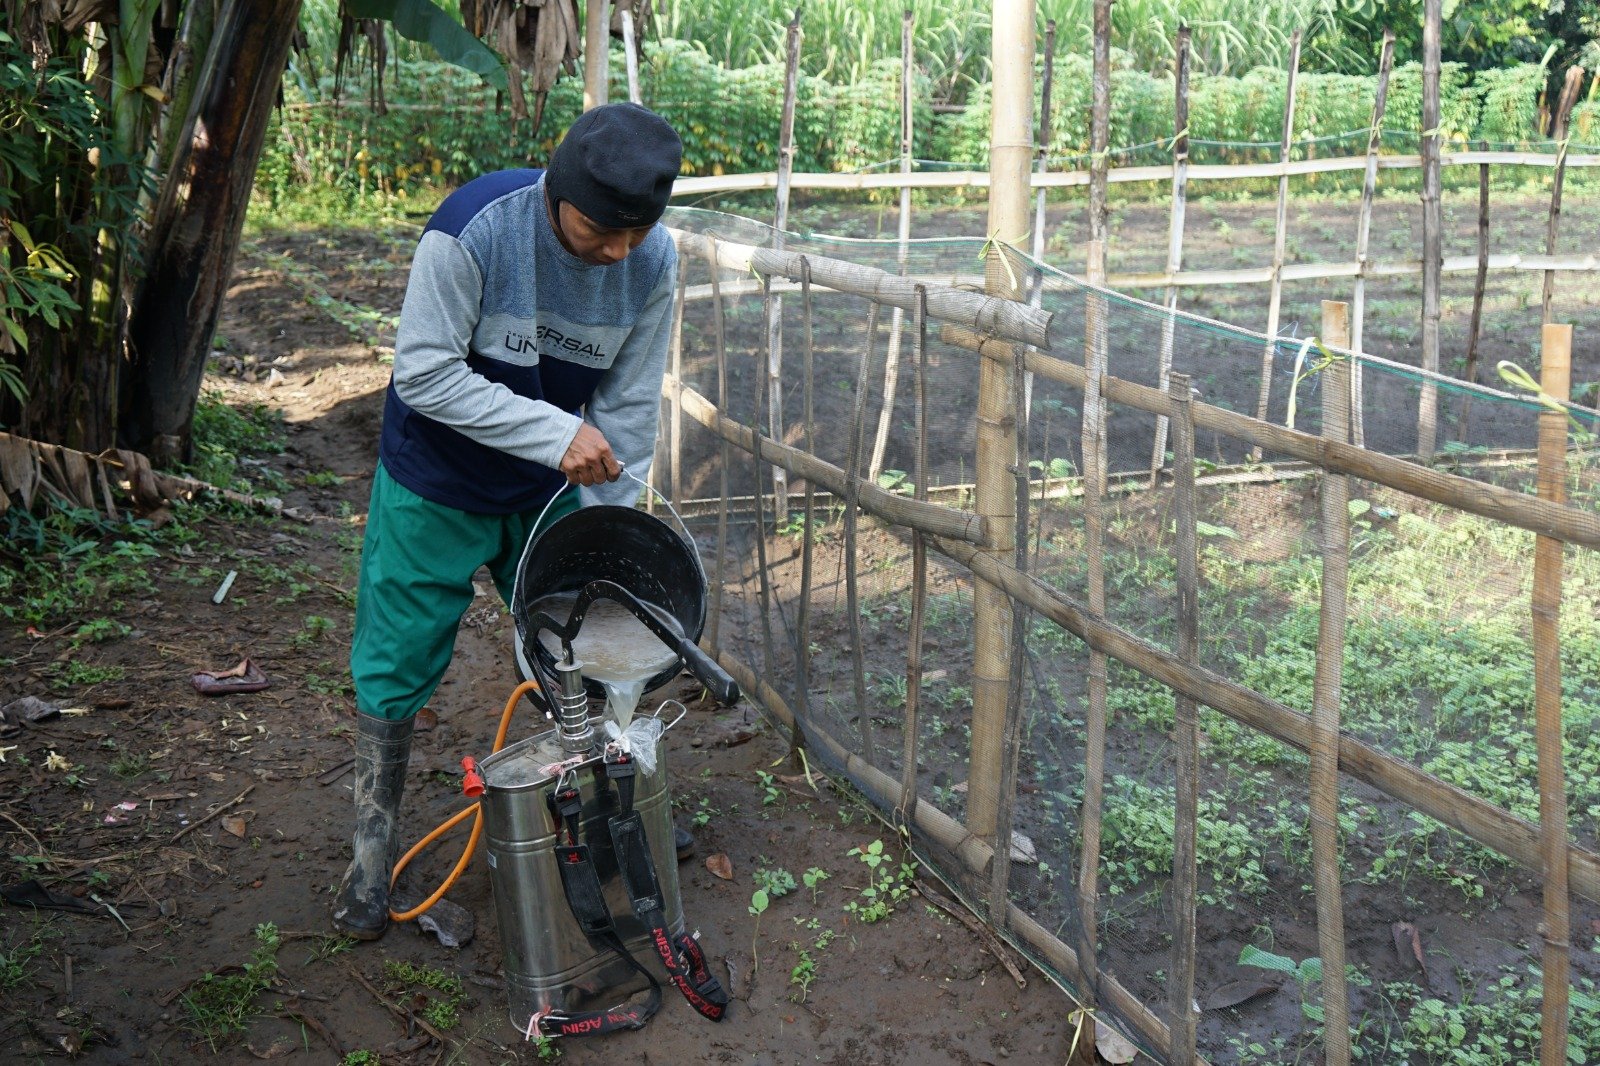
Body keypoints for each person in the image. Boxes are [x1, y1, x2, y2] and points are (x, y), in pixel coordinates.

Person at [333, 103, 684, 941]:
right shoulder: (473, 232)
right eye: (601, 229)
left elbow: (629, 406)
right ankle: (368, 855)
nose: (618, 252)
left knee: (578, 642)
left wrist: (607, 530)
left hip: (549, 489)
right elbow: (422, 374)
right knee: (396, 659)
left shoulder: (652, 260)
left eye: (637, 232)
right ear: (558, 193)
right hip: (436, 481)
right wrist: (559, 433)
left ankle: (605, 814)